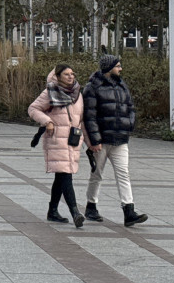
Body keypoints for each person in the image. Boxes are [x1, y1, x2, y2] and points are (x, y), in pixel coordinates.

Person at [83, 55, 148, 227]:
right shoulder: (92, 87)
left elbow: (131, 107)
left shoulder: (121, 85)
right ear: (108, 68)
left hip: (120, 139)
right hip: (102, 140)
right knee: (97, 174)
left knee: (123, 174)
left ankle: (129, 210)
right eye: (117, 66)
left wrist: (129, 125)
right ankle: (91, 206)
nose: (120, 69)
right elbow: (89, 116)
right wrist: (94, 140)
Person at [29, 63, 85, 228]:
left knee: (61, 177)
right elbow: (33, 109)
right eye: (66, 74)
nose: (70, 77)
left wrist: (90, 142)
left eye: (72, 74)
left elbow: (82, 119)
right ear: (57, 76)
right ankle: (75, 212)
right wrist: (47, 121)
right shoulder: (50, 92)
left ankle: (52, 210)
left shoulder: (77, 94)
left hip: (73, 140)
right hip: (56, 140)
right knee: (65, 175)